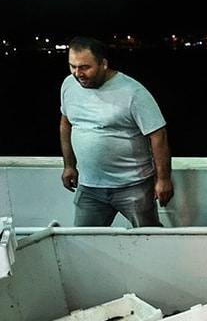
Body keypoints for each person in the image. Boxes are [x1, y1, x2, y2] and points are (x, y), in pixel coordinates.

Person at [59, 36, 173, 227]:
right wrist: (69, 165)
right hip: (89, 187)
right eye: (73, 66)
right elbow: (66, 124)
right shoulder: (69, 86)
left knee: (149, 238)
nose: (78, 73)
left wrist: (163, 179)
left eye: (85, 67)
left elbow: (158, 135)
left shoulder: (133, 92)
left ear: (103, 63)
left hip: (133, 186)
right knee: (85, 242)